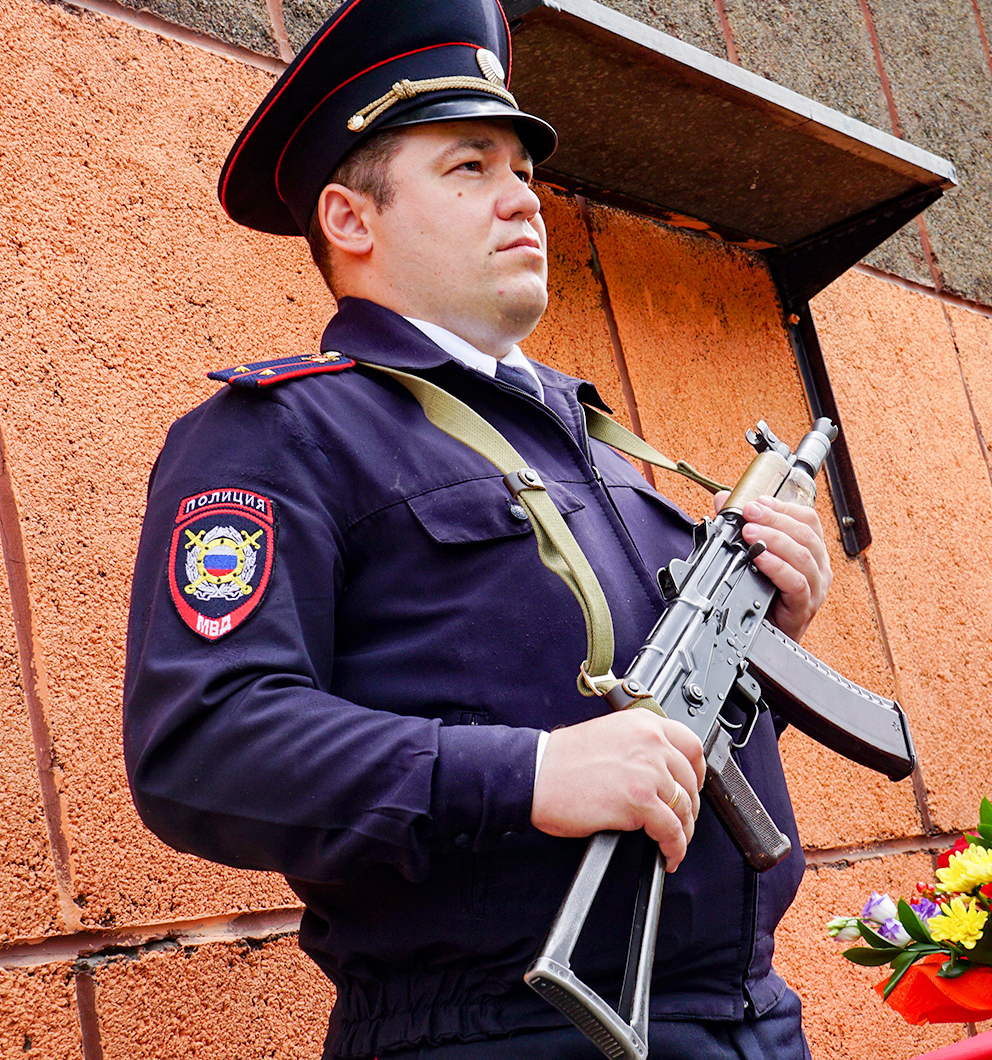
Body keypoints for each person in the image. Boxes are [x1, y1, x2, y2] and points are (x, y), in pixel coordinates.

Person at [119, 1, 828, 1057]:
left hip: (745, 1018)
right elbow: (204, 743)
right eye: (469, 169)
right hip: (499, 1032)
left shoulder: (593, 441)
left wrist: (772, 630)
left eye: (524, 174)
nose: (522, 202)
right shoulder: (284, 434)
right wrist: (529, 773)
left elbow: (638, 727)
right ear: (352, 221)